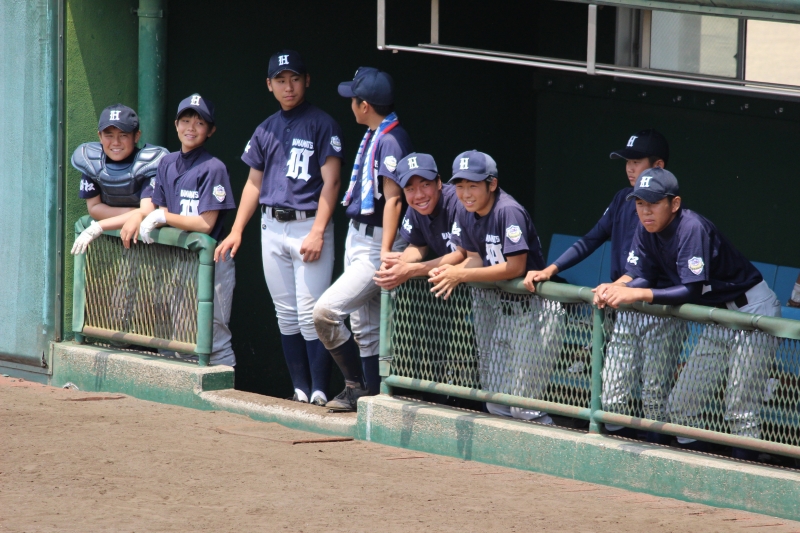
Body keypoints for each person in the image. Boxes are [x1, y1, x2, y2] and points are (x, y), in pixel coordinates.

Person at [593, 167, 781, 459]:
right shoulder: (647, 229)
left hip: (753, 311)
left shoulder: (691, 227)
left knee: (740, 410)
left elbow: (690, 291)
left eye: (654, 202)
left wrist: (637, 293)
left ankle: (748, 479)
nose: (645, 211)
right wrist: (618, 286)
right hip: (719, 317)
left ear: (674, 203)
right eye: (640, 203)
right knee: (682, 406)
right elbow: (644, 275)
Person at [523, 129, 683, 442]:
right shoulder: (623, 199)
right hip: (625, 308)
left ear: (658, 165)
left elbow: (647, 270)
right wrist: (551, 268)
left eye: (636, 162)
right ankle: (623, 454)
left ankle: (658, 460)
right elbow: (593, 237)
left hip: (660, 309)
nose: (629, 168)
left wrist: (618, 285)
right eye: (627, 162)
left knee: (654, 397)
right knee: (611, 395)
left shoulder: (666, 212)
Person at [214, 51, 344, 405]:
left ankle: (320, 389)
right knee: (286, 314)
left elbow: (332, 182)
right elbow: (253, 184)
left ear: (307, 81)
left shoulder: (323, 123)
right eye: (281, 80)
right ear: (269, 85)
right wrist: (237, 230)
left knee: (312, 313)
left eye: (295, 79)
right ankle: (299, 389)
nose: (289, 87)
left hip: (308, 224)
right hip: (271, 225)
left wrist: (318, 230)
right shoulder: (265, 128)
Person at [429, 151, 563, 423]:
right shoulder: (468, 212)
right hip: (504, 312)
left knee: (524, 408)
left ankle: (547, 447)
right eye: (460, 186)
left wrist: (461, 275)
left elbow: (515, 267)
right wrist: (451, 271)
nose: (465, 193)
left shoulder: (507, 211)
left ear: (492, 184)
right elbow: (475, 257)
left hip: (536, 312)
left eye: (473, 185)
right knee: (496, 402)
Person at [313, 67, 412, 411]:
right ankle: (368, 398)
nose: (350, 104)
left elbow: (394, 199)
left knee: (325, 312)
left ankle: (356, 384)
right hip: (359, 236)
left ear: (365, 105)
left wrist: (385, 251)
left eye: (353, 99)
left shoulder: (391, 139)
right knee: (365, 328)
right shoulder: (376, 133)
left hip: (377, 242)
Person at [125, 94, 238, 367]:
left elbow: (205, 224)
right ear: (176, 125)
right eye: (186, 120)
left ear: (210, 130)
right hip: (177, 258)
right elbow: (161, 207)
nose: (191, 127)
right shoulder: (167, 162)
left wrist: (163, 216)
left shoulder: (214, 167)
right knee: (173, 330)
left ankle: (225, 389)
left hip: (211, 259)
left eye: (200, 122)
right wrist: (155, 216)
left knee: (213, 331)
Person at [70, 103, 168, 254]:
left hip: (153, 247)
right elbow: (94, 208)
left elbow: (147, 211)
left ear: (136, 136)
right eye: (109, 135)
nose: (116, 142)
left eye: (123, 135)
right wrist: (133, 213)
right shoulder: (90, 160)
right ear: (100, 136)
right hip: (114, 249)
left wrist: (99, 226)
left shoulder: (150, 162)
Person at [373, 152, 465, 291]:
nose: (419, 195)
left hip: (493, 278)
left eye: (425, 185)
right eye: (410, 189)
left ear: (438, 182)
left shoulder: (459, 202)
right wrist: (398, 264)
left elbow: (462, 254)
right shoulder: (416, 208)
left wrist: (411, 269)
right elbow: (418, 245)